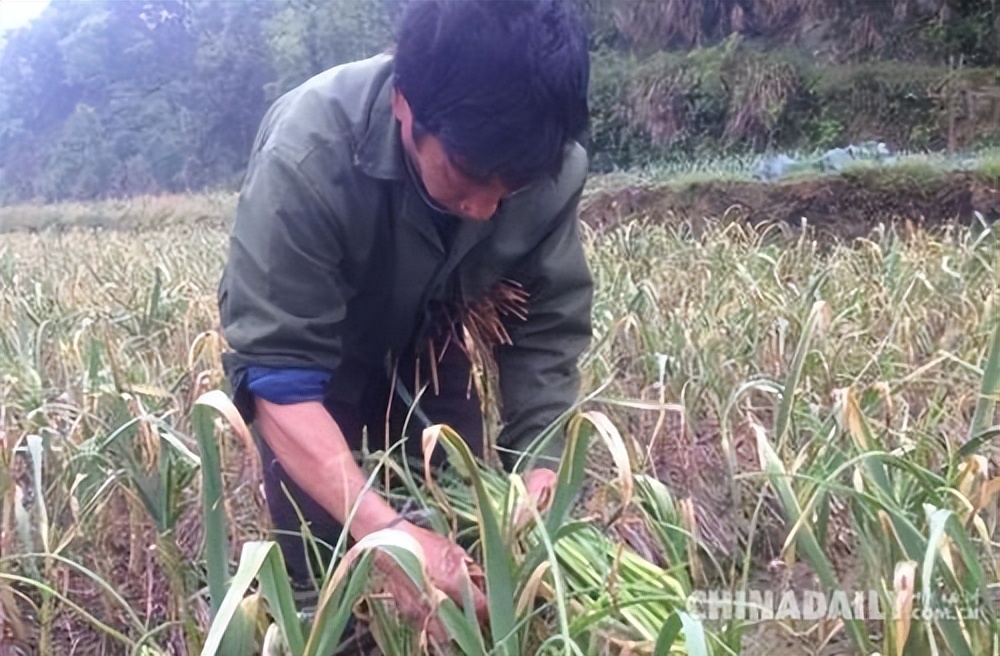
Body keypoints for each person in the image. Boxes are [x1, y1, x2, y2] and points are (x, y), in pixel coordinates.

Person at [217, 0, 593, 625]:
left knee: (462, 535)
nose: (485, 208)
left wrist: (542, 469)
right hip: (319, 359)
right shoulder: (307, 155)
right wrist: (385, 533)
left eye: (514, 185)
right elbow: (280, 375)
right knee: (326, 564)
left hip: (436, 338)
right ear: (404, 104)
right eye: (469, 174)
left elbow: (545, 329)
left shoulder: (548, 162)